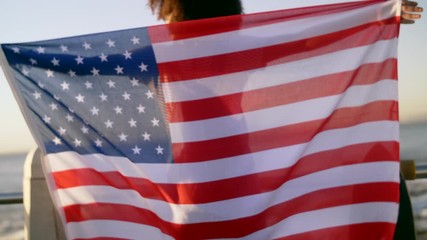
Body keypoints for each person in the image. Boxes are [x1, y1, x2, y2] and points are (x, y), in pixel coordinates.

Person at [149, 0, 423, 239]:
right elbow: (308, 40)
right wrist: (377, 16)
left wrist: (379, 15)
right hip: (238, 183)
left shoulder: (158, 57)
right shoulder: (238, 49)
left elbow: (108, 65)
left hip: (195, 186)